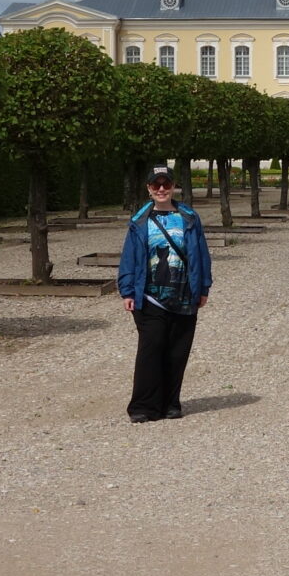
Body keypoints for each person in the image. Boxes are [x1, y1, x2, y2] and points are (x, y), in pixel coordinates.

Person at [118, 166, 212, 423]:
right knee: (151, 350)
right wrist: (127, 291)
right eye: (156, 185)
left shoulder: (189, 217)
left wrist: (203, 287)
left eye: (166, 184)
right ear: (148, 188)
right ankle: (143, 406)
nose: (161, 189)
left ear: (173, 186)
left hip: (184, 295)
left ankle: (170, 403)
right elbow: (129, 257)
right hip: (150, 297)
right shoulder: (140, 220)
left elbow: (201, 254)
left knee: (177, 352)